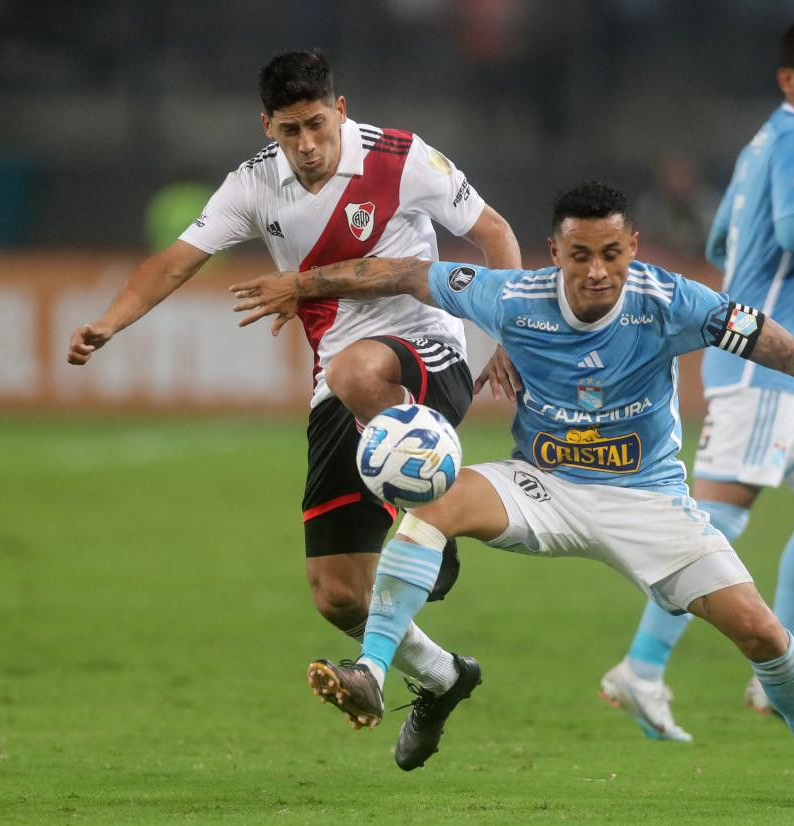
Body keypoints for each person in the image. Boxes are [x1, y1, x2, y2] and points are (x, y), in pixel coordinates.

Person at [230, 180, 794, 807]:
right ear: (555, 253)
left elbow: (791, 350)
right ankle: (374, 671)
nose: (597, 272)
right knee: (434, 503)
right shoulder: (511, 297)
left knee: (762, 635)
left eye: (611, 254)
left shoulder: (673, 303)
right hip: (542, 485)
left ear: (633, 247)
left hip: (647, 500)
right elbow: (402, 273)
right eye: (580, 255)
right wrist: (303, 284)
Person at [65, 49, 521, 771]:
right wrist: (110, 323)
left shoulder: (400, 160)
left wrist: (507, 335)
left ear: (340, 110)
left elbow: (493, 233)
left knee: (355, 365)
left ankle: (426, 501)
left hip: (427, 355)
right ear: (267, 126)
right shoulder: (255, 183)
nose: (306, 146)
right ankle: (441, 677)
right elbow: (176, 260)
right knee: (339, 595)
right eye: (289, 132)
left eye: (316, 125)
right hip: (339, 388)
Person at [601, 14, 794, 742]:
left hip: (783, 368)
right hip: (763, 371)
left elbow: (724, 243)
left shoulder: (763, 140)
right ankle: (640, 669)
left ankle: (775, 679)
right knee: (713, 526)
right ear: (787, 78)